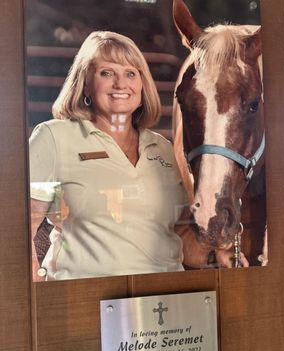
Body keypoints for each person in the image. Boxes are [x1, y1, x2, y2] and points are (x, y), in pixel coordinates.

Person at [30, 31, 187, 281]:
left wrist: (220, 252)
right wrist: (37, 293)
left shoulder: (164, 148)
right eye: (107, 73)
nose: (120, 84)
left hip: (164, 296)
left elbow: (180, 233)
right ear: (85, 83)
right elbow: (20, 228)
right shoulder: (53, 137)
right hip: (80, 295)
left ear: (142, 85)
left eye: (131, 73)